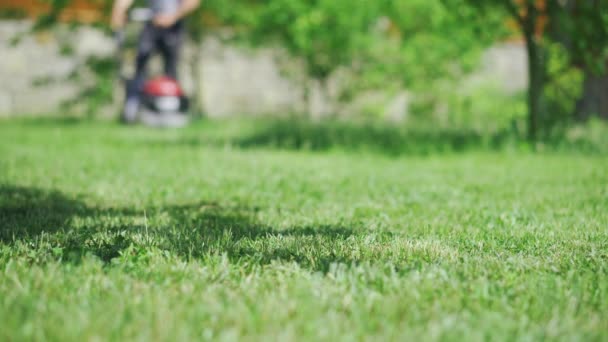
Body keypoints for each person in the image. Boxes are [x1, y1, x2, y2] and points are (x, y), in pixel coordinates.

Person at [111, 0, 200, 122]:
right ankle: (132, 113)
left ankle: (172, 112)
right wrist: (119, 11)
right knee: (140, 65)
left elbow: (192, 2)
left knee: (171, 71)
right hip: (151, 25)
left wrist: (172, 17)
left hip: (173, 27)